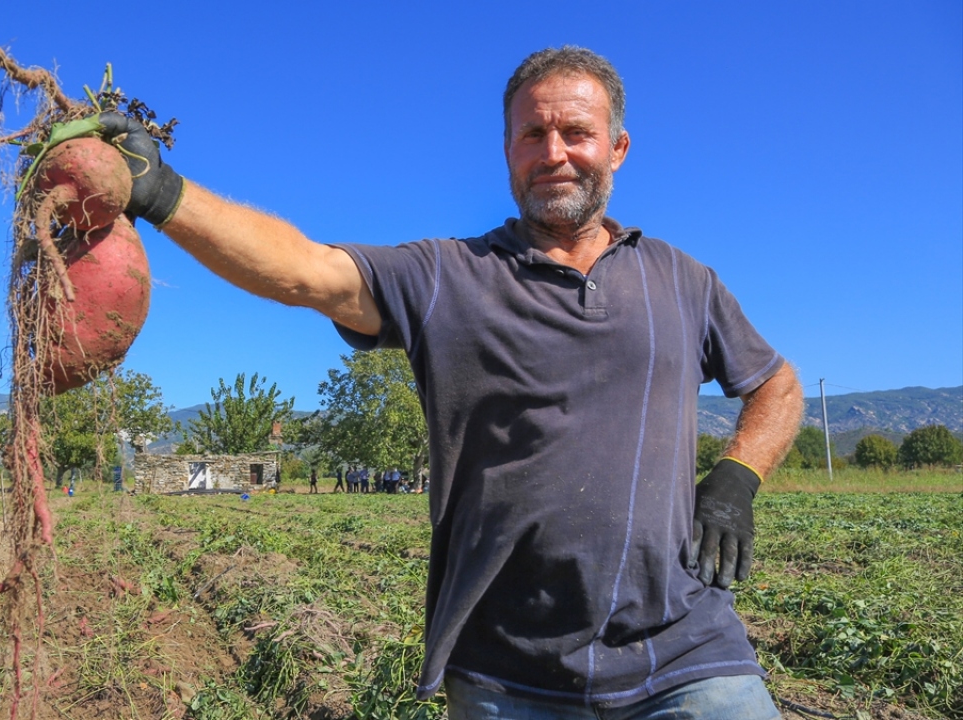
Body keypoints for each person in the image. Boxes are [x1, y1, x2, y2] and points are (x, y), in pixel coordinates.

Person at [94, 45, 802, 718]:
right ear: (508, 150)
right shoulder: (448, 277)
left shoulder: (682, 281)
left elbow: (777, 385)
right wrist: (162, 192)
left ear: (617, 147)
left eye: (577, 133)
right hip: (509, 673)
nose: (554, 153)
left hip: (689, 655)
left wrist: (737, 477)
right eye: (532, 134)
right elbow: (305, 271)